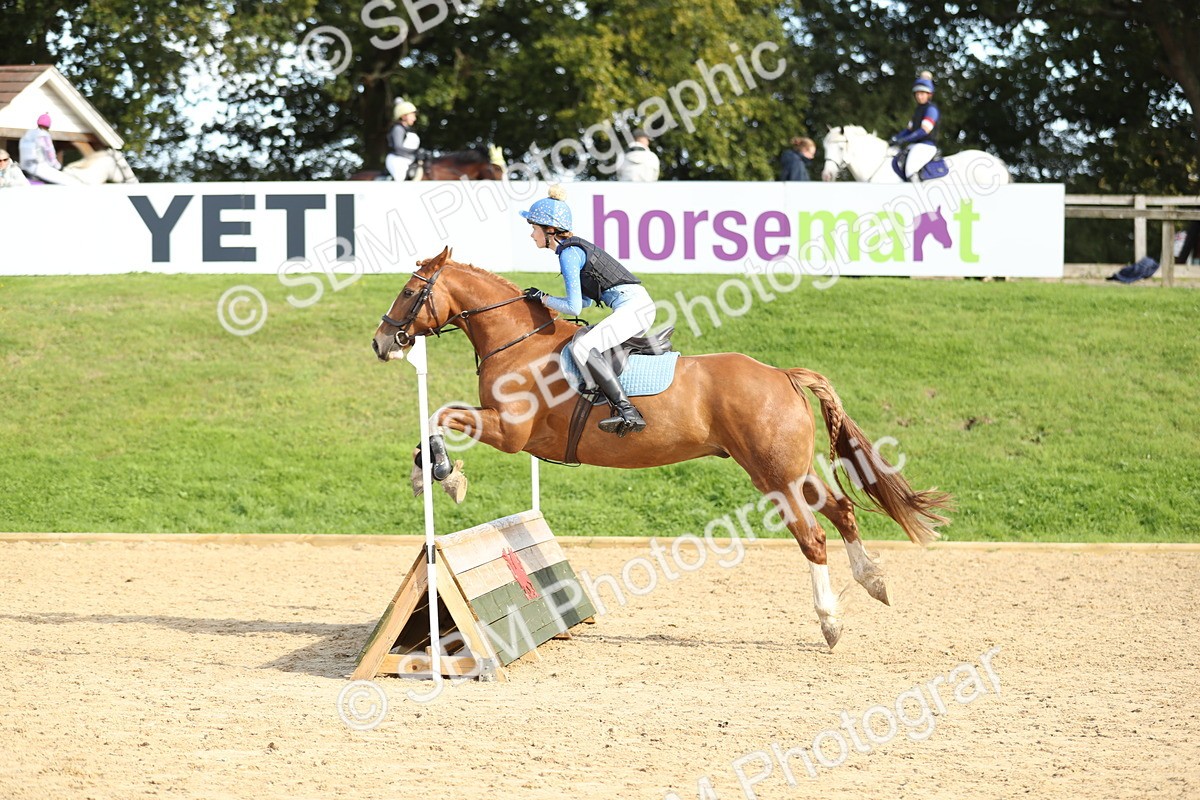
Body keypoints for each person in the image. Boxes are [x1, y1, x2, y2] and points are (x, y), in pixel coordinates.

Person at [520, 186, 657, 436]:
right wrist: (544, 299)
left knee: (582, 347)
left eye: (534, 229)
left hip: (635, 307)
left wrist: (544, 297)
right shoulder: (572, 250)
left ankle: (627, 411)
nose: (531, 235)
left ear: (550, 231)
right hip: (637, 305)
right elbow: (584, 303)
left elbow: (573, 307)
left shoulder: (569, 254)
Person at [889, 72, 940, 182]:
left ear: (929, 94)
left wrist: (904, 140)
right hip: (915, 145)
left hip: (926, 146)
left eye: (922, 93)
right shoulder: (918, 111)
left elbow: (924, 131)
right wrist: (896, 138)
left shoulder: (931, 110)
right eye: (917, 93)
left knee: (910, 169)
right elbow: (908, 130)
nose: (919, 96)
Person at [19, 113, 73, 185]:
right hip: (38, 167)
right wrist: (58, 166)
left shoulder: (28, 134)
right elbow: (49, 153)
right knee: (68, 181)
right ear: (48, 126)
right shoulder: (43, 135)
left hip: (24, 167)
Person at [386, 99, 421, 181]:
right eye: (412, 115)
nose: (414, 118)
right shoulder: (398, 129)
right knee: (401, 179)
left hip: (410, 160)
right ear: (403, 116)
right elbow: (398, 148)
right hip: (397, 161)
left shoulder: (410, 130)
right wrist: (415, 151)